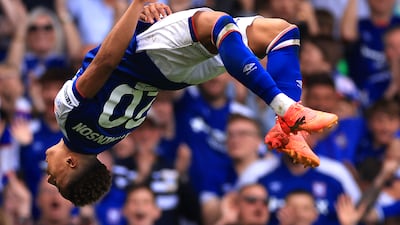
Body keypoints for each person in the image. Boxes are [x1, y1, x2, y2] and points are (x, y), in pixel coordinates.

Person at [45, 0, 338, 206]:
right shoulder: (67, 115)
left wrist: (139, 21)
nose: (48, 178)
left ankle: (288, 130)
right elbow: (105, 63)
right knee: (217, 24)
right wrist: (136, 6)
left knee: (281, 33)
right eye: (56, 181)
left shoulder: (105, 142)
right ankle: (286, 110)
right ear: (71, 163)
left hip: (175, 76)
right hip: (152, 55)